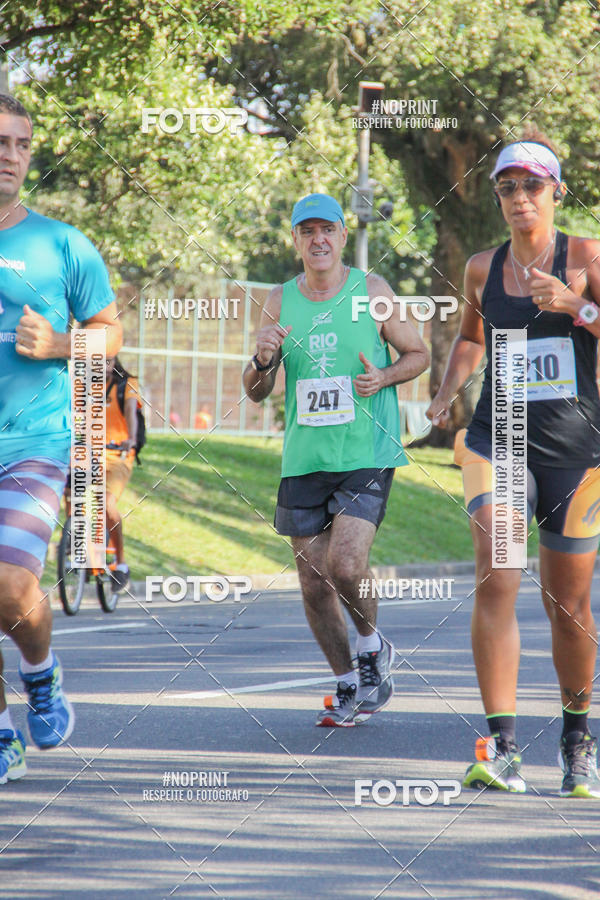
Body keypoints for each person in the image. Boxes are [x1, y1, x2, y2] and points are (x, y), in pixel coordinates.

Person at [427, 137, 600, 797]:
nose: (520, 198)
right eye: (508, 187)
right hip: (497, 441)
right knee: (498, 574)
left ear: (556, 190)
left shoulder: (586, 257)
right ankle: (500, 748)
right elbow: (474, 337)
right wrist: (447, 391)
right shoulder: (481, 268)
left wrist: (573, 305)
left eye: (533, 185)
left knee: (570, 605)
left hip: (576, 456)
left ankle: (576, 742)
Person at [243, 193, 429, 726]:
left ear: (343, 237)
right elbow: (256, 390)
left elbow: (418, 354)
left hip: (365, 449)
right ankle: (347, 682)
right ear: (296, 240)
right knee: (311, 579)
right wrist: (261, 359)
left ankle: (373, 645)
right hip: (305, 457)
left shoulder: (371, 291)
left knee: (345, 564)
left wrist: (384, 377)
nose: (318, 239)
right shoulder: (279, 300)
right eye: (308, 231)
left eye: (328, 230)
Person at [0, 94, 122, 783]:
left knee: (12, 584)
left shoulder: (62, 244)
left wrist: (59, 344)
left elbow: (109, 334)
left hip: (34, 441)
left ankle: (40, 673)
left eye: (20, 143)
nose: (10, 155)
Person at [105, 356, 141, 591]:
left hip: (118, 454)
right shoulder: (81, 384)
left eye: (107, 360)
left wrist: (131, 439)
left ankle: (120, 563)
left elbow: (130, 410)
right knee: (70, 489)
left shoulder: (127, 384)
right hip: (88, 454)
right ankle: (74, 539)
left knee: (107, 504)